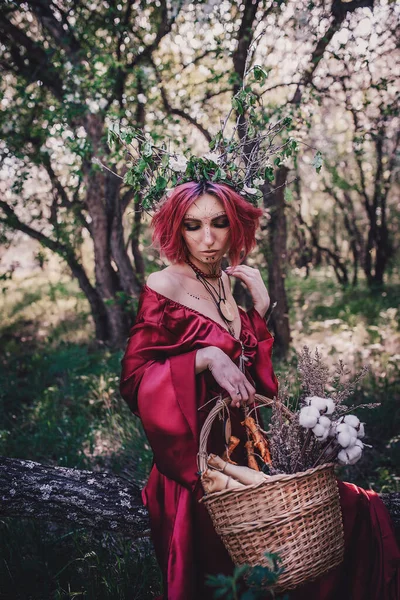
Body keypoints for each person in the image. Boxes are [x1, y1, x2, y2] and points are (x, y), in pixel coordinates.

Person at [120, 181, 399, 600]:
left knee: (344, 515)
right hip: (195, 465)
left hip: (246, 451)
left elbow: (250, 376)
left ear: (236, 227)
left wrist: (259, 311)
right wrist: (205, 357)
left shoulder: (224, 281)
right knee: (228, 581)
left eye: (219, 224)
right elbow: (135, 380)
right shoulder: (165, 285)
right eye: (193, 226)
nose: (208, 239)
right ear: (177, 229)